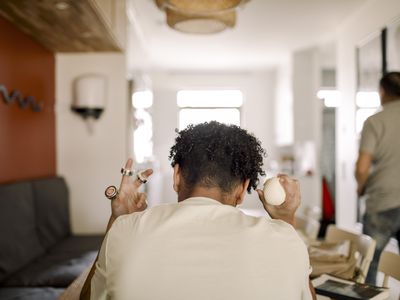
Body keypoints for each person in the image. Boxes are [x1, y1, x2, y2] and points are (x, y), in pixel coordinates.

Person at [81, 121, 316, 300]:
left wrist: (118, 219)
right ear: (243, 188)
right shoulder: (285, 239)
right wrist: (286, 220)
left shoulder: (125, 231)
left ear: (176, 176)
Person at [355, 72, 400, 284]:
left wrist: (361, 187)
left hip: (382, 202)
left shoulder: (375, 122)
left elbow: (362, 168)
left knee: (369, 267)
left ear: (382, 92)